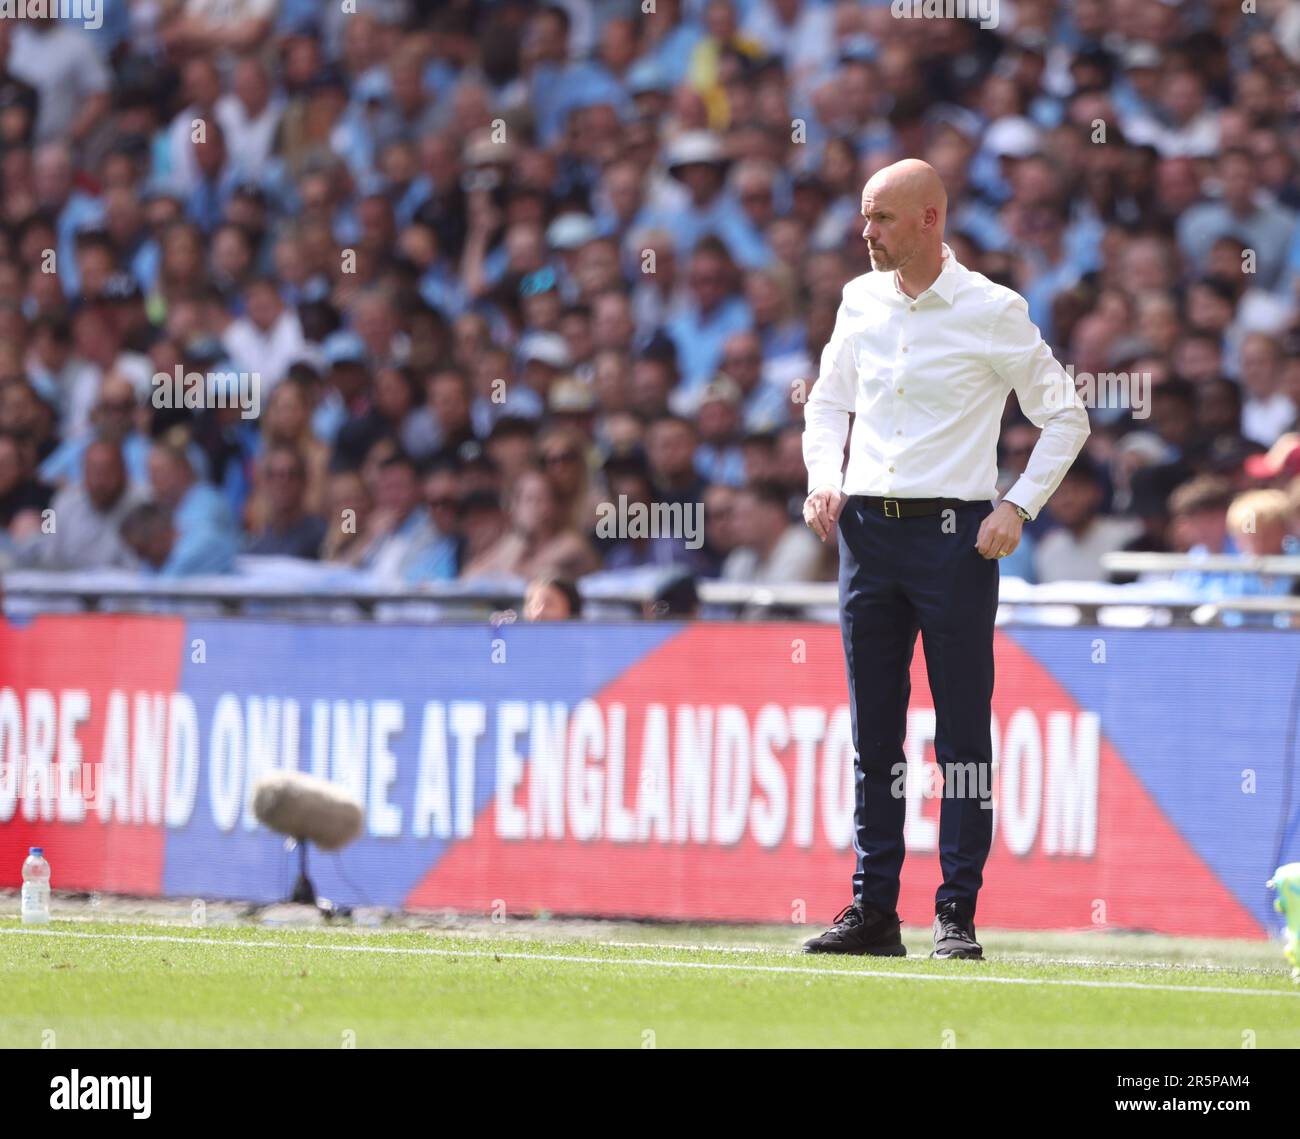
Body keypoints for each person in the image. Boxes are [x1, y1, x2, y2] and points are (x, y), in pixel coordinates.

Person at [800, 159, 1089, 960]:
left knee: (961, 733)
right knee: (874, 733)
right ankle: (873, 910)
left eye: (882, 219)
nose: (867, 234)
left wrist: (1016, 504)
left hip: (953, 535)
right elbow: (828, 401)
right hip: (866, 532)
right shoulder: (858, 300)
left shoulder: (992, 310)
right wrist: (825, 478)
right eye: (865, 217)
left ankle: (954, 912)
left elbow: (1065, 416)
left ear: (931, 219)